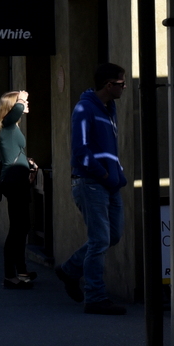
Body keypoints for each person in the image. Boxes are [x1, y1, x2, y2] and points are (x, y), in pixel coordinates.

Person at [56, 62, 129, 315]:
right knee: (99, 240)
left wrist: (116, 175)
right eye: (121, 83)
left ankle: (69, 270)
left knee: (113, 236)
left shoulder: (109, 108)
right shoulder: (84, 109)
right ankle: (95, 297)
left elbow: (107, 147)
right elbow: (81, 151)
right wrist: (105, 174)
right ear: (109, 85)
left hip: (110, 183)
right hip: (90, 183)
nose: (124, 87)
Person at [0, 90, 39, 289]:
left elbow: (14, 153)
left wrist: (27, 163)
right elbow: (18, 109)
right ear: (12, 106)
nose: (26, 104)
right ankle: (10, 276)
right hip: (14, 183)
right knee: (17, 229)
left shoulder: (12, 127)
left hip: (19, 181)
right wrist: (21, 97)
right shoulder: (8, 125)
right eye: (23, 103)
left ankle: (22, 270)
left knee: (23, 227)